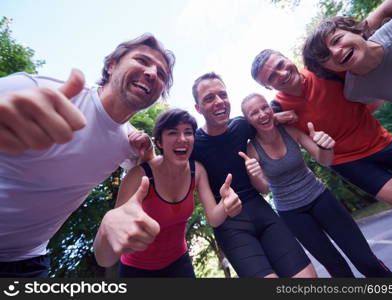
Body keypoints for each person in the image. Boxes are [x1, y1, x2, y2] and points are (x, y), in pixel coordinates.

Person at [0, 33, 175, 277]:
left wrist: (147, 155)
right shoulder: (42, 90)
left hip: (28, 263)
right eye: (142, 61)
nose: (152, 73)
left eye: (162, 74)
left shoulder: (130, 142)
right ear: (112, 65)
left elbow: (147, 173)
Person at [240, 93, 392, 277]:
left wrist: (325, 147)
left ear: (270, 108)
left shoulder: (289, 130)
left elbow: (324, 160)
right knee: (338, 270)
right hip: (292, 213)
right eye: (254, 113)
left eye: (264, 107)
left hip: (320, 197)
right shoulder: (252, 149)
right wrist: (255, 174)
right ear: (248, 120)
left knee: (366, 260)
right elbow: (264, 189)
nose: (262, 114)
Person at [251, 48, 392, 222]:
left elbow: (366, 68)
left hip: (381, 140)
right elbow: (252, 126)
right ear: (267, 87)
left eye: (280, 64)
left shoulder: (324, 70)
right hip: (348, 162)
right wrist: (275, 118)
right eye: (271, 77)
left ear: (288, 59)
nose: (282, 73)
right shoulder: (277, 108)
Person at [191, 72, 317, 278]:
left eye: (222, 95)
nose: (219, 102)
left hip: (261, 211)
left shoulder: (241, 126)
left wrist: (279, 116)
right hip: (230, 224)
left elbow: (264, 120)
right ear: (198, 108)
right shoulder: (193, 145)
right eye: (209, 98)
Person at [93, 108, 242, 277]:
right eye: (173, 133)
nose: (182, 139)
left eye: (188, 132)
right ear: (159, 143)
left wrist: (226, 204)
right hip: (136, 269)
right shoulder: (139, 176)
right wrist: (106, 227)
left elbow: (215, 218)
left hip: (179, 263)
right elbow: (104, 257)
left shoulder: (197, 170)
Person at [303, 1, 392, 104]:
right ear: (326, 68)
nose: (336, 52)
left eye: (337, 40)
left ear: (355, 30)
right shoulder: (354, 92)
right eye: (325, 56)